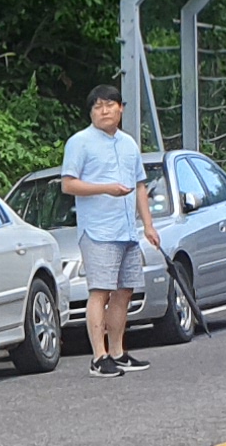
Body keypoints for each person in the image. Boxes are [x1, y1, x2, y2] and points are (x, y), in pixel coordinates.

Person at [60, 85, 164, 377]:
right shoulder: (79, 142)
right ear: (91, 112)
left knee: (124, 291)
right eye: (97, 106)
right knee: (100, 291)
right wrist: (106, 188)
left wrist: (148, 225)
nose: (104, 111)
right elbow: (68, 184)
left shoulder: (129, 143)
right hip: (98, 231)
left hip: (127, 230)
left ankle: (118, 352)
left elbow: (140, 185)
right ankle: (99, 357)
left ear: (121, 109)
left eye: (109, 105)